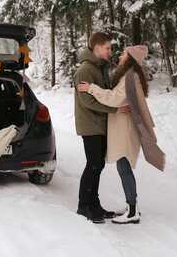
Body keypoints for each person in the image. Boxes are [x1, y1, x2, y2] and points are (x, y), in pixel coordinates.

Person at [77, 45, 166, 224]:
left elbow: (113, 98)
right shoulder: (131, 75)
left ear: (131, 58)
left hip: (125, 129)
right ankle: (130, 207)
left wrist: (91, 88)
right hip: (123, 127)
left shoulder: (129, 76)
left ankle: (132, 210)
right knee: (122, 166)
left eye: (125, 53)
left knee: (123, 167)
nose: (120, 55)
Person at [73, 32, 130, 224]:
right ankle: (83, 206)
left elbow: (106, 93)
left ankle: (94, 204)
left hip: (100, 125)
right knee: (94, 164)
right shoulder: (85, 70)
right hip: (90, 125)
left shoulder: (99, 68)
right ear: (96, 48)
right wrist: (114, 109)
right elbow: (87, 100)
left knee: (98, 165)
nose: (110, 51)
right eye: (107, 47)